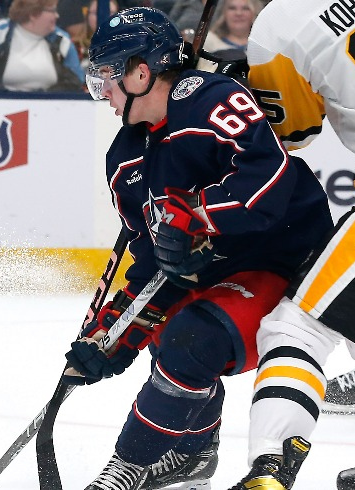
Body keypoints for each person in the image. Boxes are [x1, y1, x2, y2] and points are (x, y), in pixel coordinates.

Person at [65, 7, 332, 489]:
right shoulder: (125, 159)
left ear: (141, 71)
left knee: (193, 338)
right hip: (220, 270)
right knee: (163, 330)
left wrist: (196, 215)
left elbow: (266, 185)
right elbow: (154, 263)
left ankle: (131, 463)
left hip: (286, 260)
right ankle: (191, 454)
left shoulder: (212, 101)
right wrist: (113, 333)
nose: (102, 92)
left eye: (107, 75)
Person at [230, 0, 355, 487]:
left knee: (298, 328)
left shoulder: (279, 26)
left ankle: (269, 468)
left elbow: (290, 131)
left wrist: (242, 86)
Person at [0, 0, 84, 91]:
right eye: (52, 11)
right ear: (33, 14)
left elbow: (76, 83)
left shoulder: (62, 41)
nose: (57, 16)